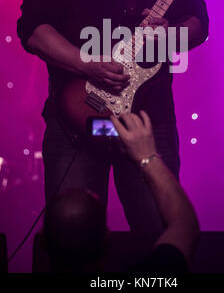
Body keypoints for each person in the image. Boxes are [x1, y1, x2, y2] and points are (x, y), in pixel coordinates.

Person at [17, 0, 209, 234]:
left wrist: (172, 34)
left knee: (160, 226)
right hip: (76, 118)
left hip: (148, 121)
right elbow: (32, 32)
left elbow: (199, 24)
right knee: (70, 232)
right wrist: (86, 65)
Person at [43, 111, 199, 273]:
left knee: (70, 220)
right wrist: (147, 157)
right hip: (75, 113)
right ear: (107, 238)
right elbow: (184, 225)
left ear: (42, 242)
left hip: (146, 107)